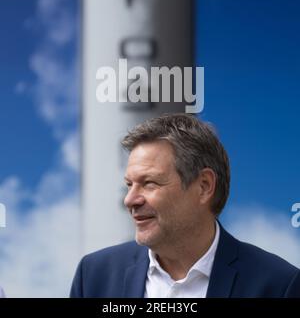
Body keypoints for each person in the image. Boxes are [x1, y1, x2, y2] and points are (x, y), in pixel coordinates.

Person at [70, 113, 300, 298]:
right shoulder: (94, 276)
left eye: (149, 183)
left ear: (204, 186)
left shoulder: (278, 286)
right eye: (129, 184)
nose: (130, 200)